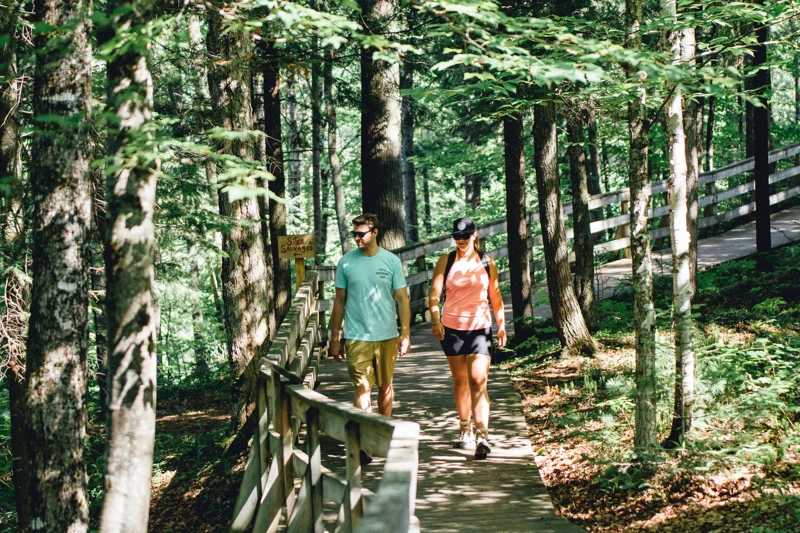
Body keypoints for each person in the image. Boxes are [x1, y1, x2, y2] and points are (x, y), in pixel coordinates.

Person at [428, 216, 506, 459]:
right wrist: (435, 318)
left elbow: (496, 296)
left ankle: (482, 435)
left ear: (475, 235)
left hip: (480, 327)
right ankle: (465, 429)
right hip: (451, 328)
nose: (461, 240)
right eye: (456, 237)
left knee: (478, 380)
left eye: (465, 236)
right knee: (461, 381)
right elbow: (434, 295)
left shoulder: (487, 262)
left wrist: (501, 326)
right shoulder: (446, 261)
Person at [329, 213, 411, 426]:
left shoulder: (391, 261)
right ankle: (365, 437)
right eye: (354, 234)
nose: (357, 238)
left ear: (375, 233)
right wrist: (334, 338)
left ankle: (383, 432)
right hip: (356, 336)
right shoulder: (346, 263)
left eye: (361, 234)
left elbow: (402, 299)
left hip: (387, 335)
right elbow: (339, 301)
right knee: (363, 387)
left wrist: (405, 334)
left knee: (385, 386)